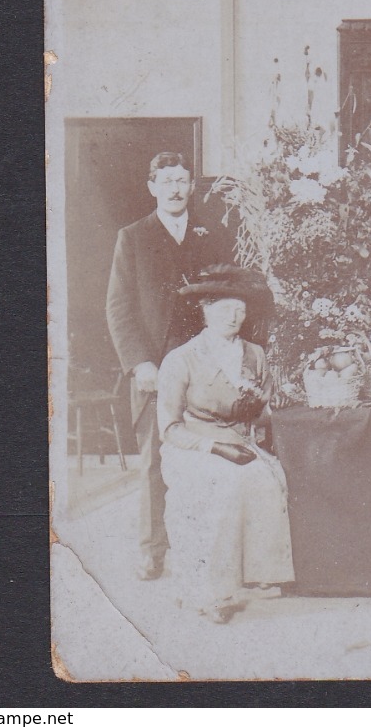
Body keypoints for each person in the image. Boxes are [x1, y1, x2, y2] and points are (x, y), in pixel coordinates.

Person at [105, 151, 231, 581]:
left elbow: (229, 294)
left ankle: (204, 550)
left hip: (205, 364)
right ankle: (151, 549)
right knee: (155, 460)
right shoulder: (133, 236)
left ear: (192, 187)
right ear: (152, 187)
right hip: (154, 366)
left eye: (183, 180)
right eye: (167, 180)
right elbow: (118, 308)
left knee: (208, 455)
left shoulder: (211, 234)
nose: (176, 188)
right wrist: (139, 363)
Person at [157, 266, 291, 624]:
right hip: (193, 446)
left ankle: (257, 573)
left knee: (267, 479)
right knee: (224, 485)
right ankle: (211, 592)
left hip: (238, 440)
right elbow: (169, 429)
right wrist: (216, 449)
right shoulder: (180, 359)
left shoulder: (255, 354)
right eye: (223, 308)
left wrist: (257, 413)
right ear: (205, 309)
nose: (234, 316)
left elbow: (262, 415)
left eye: (241, 309)